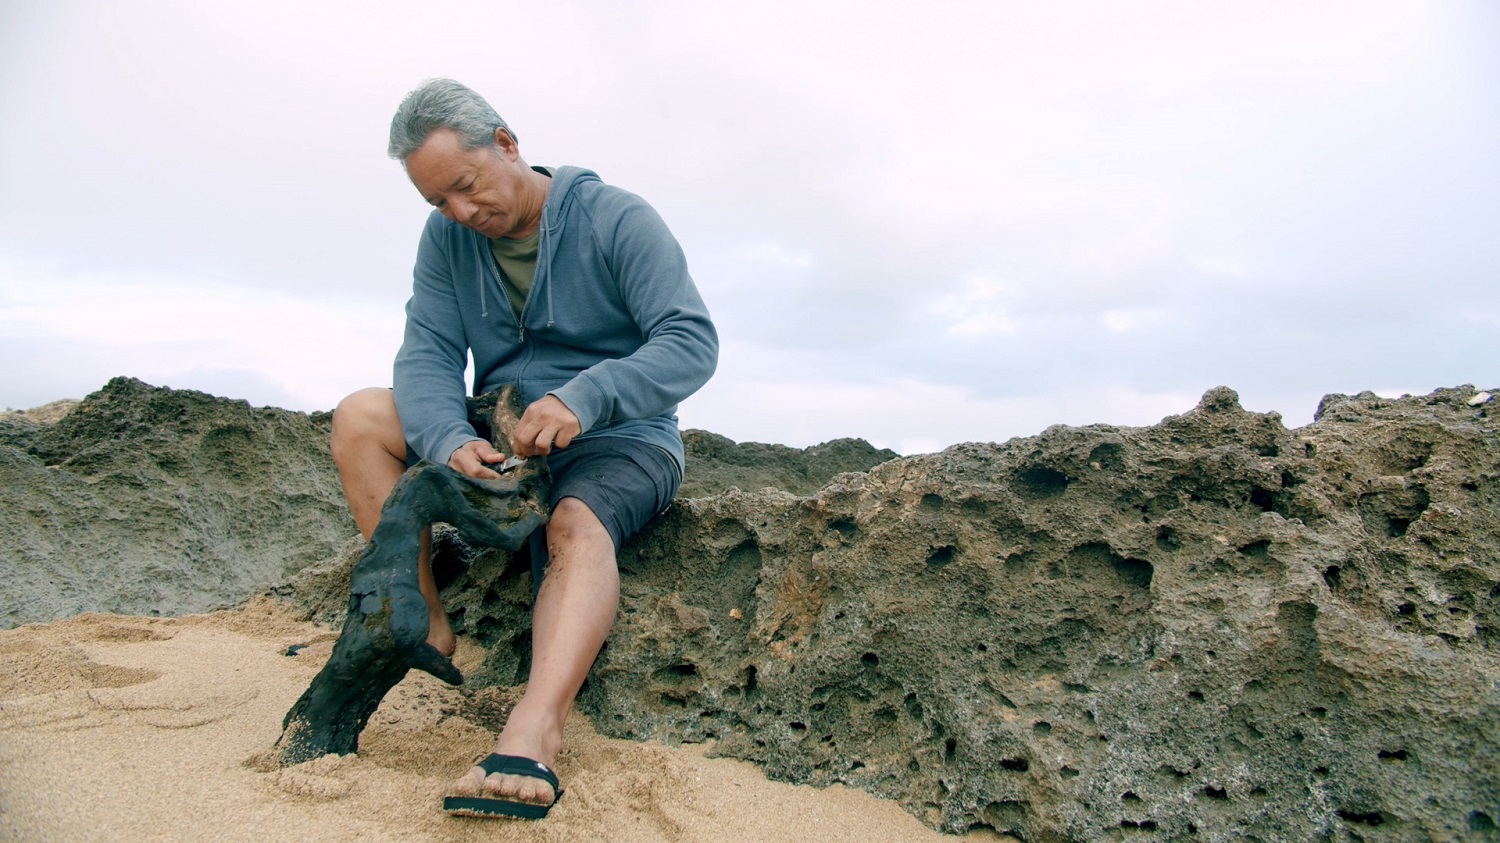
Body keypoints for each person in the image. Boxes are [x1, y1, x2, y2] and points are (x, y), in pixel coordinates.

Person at [329, 78, 718, 819]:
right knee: (359, 417)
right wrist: (447, 441)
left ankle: (535, 726)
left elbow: (691, 343)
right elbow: (427, 355)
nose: (460, 214)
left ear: (507, 144)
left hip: (621, 438)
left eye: (467, 188)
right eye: (439, 202)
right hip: (499, 431)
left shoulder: (616, 218)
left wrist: (585, 397)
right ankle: (429, 627)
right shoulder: (447, 238)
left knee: (575, 524)